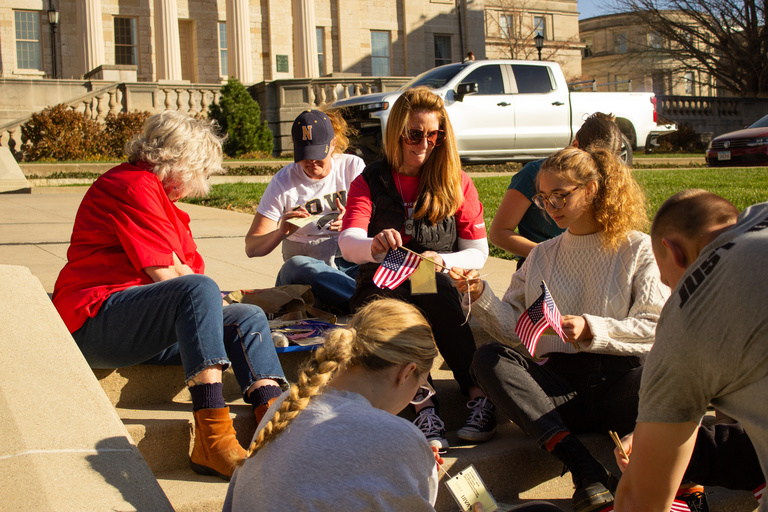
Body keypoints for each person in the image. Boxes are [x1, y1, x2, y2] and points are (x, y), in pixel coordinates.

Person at [52, 111, 287, 480]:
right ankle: (212, 437)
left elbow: (188, 274)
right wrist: (208, 296)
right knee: (201, 292)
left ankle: (276, 426)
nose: (203, 184)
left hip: (140, 323)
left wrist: (223, 304)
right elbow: (171, 275)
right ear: (182, 162)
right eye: (203, 172)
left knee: (247, 317)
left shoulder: (166, 205)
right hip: (96, 320)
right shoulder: (130, 186)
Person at [451, 145, 668, 512]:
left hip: (622, 385)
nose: (551, 206)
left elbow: (653, 328)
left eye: (561, 195)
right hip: (559, 388)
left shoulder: (637, 248)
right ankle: (584, 466)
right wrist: (481, 294)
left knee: (667, 370)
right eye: (543, 198)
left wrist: (590, 329)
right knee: (488, 357)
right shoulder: (542, 254)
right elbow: (515, 331)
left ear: (593, 189)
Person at [339, 86, 495, 449]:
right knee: (391, 314)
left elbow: (478, 251)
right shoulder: (369, 180)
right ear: (396, 133)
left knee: (437, 292)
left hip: (427, 270)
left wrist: (444, 260)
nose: (423, 143)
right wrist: (373, 247)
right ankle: (423, 404)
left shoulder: (455, 181)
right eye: (413, 134)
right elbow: (348, 243)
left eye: (432, 134)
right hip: (382, 271)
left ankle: (477, 395)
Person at [613, 190, 768, 511]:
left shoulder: (691, 311)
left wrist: (651, 450)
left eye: (669, 283)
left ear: (673, 251)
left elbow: (640, 499)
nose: (673, 293)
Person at [222, 298, 441, 512]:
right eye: (420, 389)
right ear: (406, 373)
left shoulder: (285, 403)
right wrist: (417, 461)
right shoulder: (399, 437)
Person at [245, 109, 365, 313]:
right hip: (310, 272)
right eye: (305, 156)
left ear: (333, 144)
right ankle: (365, 300)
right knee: (296, 266)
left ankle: (349, 299)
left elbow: (378, 222)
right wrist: (281, 232)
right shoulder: (282, 182)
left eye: (319, 155)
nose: (311, 162)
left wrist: (353, 223)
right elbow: (252, 248)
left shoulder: (352, 167)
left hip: (349, 265)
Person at [489, 112, 623, 266]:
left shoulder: (612, 178)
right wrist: (553, 254)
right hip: (541, 268)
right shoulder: (535, 173)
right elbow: (498, 233)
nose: (596, 171)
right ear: (575, 145)